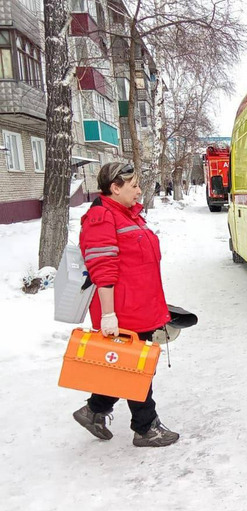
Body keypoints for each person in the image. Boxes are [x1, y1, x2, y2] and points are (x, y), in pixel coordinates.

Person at [73, 162, 179, 447]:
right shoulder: (102, 218)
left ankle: (94, 410)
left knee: (126, 366)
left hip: (139, 307)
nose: (138, 190)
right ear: (115, 187)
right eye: (132, 185)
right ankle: (146, 427)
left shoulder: (128, 216)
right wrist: (109, 315)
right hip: (122, 311)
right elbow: (102, 268)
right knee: (135, 367)